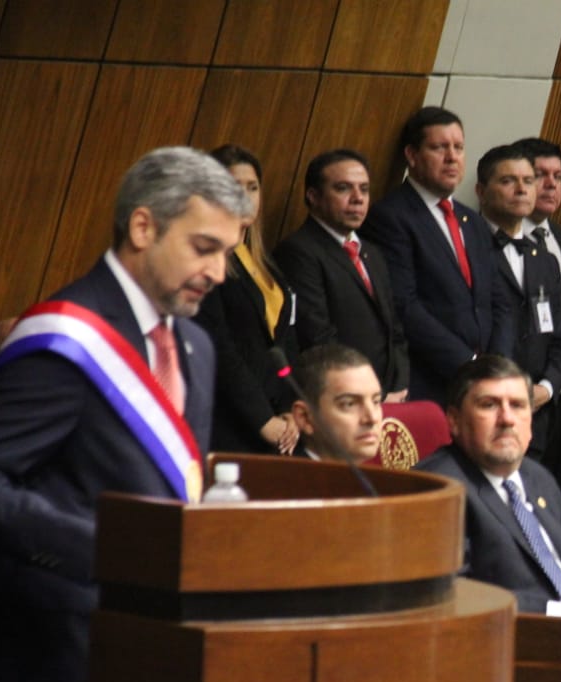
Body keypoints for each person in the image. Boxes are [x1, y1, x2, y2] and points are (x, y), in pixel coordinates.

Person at [0, 146, 249, 682]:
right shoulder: (61, 339)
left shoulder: (195, 347)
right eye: (204, 247)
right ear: (143, 228)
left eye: (228, 252)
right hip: (59, 677)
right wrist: (109, 547)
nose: (219, 272)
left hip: (160, 674)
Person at [416, 356, 561, 618]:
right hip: (515, 645)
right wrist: (559, 612)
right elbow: (448, 594)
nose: (507, 419)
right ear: (453, 420)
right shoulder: (437, 489)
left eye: (518, 406)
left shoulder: (537, 477)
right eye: (489, 405)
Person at [361, 106, 513, 402]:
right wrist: (468, 364)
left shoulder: (472, 221)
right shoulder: (390, 217)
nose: (452, 157)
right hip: (429, 382)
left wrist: (498, 364)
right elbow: (403, 305)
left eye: (458, 147)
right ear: (412, 155)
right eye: (439, 147)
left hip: (485, 383)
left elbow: (499, 300)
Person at [273, 149, 409, 402]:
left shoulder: (371, 252)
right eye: (344, 188)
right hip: (340, 396)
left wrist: (398, 384)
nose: (358, 199)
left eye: (365, 189)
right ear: (313, 196)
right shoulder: (299, 251)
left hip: (387, 396)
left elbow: (394, 328)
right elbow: (317, 336)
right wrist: (368, 391)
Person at [195, 144, 299, 455]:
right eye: (232, 187)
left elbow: (285, 344)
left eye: (252, 188)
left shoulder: (262, 261)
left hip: (275, 421)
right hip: (226, 421)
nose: (245, 197)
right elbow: (219, 347)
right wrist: (262, 418)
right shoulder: (205, 260)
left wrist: (290, 410)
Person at [476, 144, 561, 470]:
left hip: (536, 415)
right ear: (481, 191)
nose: (521, 189)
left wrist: (546, 388)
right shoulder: (469, 249)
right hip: (483, 408)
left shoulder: (544, 259)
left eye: (528, 181)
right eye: (508, 181)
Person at [516, 137, 561, 494]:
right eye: (540, 176)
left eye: (558, 176)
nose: (551, 185)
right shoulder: (504, 243)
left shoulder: (560, 238)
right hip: (531, 398)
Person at [288, 343, 384, 463]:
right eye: (349, 404)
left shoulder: (377, 480)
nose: (372, 419)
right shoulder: (285, 480)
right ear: (305, 418)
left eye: (376, 401)